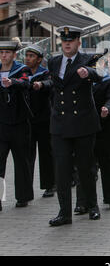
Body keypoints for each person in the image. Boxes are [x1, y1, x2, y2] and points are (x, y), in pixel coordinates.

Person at [48, 26, 101, 227]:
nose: (67, 43)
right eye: (64, 41)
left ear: (79, 42)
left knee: (85, 168)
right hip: (60, 124)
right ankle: (64, 213)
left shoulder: (87, 60)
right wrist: (40, 85)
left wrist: (87, 72)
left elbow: (100, 74)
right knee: (61, 171)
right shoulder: (53, 62)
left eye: (71, 40)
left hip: (82, 124)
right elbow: (52, 84)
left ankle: (92, 206)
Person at [75, 55, 110, 213]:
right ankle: (82, 202)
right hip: (85, 128)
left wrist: (107, 108)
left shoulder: (109, 81)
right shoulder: (82, 83)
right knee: (84, 166)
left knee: (107, 163)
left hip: (104, 127)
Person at [0, 41, 33, 211]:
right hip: (1, 123)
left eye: (7, 52)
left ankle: (23, 196)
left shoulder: (22, 69)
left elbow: (26, 83)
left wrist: (12, 82)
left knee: (21, 160)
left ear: (14, 55)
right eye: (1, 52)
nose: (4, 55)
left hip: (19, 122)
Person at [25, 44, 55, 198]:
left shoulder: (45, 74)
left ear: (39, 60)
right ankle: (26, 188)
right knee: (27, 155)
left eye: (32, 56)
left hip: (44, 119)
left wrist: (40, 85)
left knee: (46, 153)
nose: (28, 59)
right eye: (27, 56)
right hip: (28, 120)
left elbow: (51, 84)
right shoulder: (22, 73)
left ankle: (49, 185)